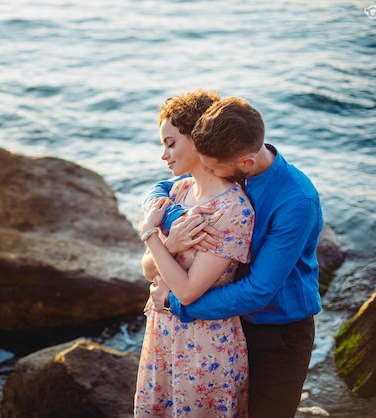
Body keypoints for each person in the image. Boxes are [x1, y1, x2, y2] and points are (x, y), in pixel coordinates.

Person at [145, 96, 323, 418]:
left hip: (278, 330)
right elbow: (168, 184)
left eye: (210, 166)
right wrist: (169, 214)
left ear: (246, 164)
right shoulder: (229, 156)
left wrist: (175, 304)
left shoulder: (296, 200)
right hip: (231, 324)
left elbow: (258, 290)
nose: (205, 169)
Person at [134, 90, 254, 417]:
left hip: (204, 346)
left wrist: (150, 234)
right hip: (162, 336)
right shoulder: (180, 191)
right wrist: (168, 245)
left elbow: (187, 292)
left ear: (198, 139)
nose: (164, 155)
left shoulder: (232, 210)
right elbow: (149, 271)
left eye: (171, 143)